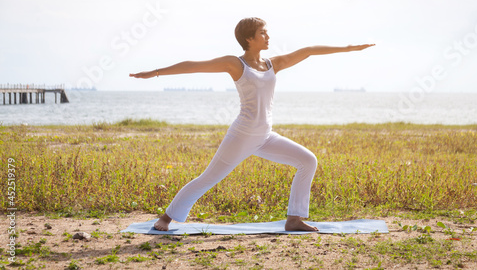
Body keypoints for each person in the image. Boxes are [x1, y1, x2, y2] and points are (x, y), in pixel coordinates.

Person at [129, 17, 374, 231]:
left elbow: (308, 50)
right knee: (209, 178)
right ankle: (167, 217)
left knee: (308, 160)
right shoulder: (235, 64)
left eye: (266, 31)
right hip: (242, 135)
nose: (268, 36)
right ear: (249, 38)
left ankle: (294, 219)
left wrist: (349, 48)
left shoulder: (272, 64)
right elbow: (194, 66)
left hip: (265, 136)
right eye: (262, 33)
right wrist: (155, 72)